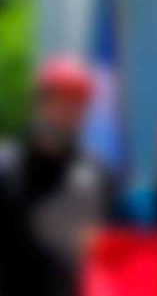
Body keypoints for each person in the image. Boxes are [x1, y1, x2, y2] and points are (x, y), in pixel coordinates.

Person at [0, 56, 111, 296]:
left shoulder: (94, 172)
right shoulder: (7, 167)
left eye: (76, 103)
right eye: (58, 101)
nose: (66, 112)